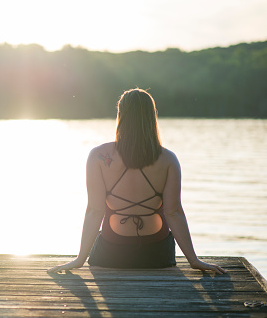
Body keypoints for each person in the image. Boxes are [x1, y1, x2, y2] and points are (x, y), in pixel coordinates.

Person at [48, 88, 226, 274]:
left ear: (120, 116)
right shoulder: (168, 159)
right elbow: (173, 212)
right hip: (157, 254)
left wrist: (79, 259)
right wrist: (194, 260)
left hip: (112, 253)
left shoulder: (98, 156)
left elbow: (95, 210)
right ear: (151, 117)